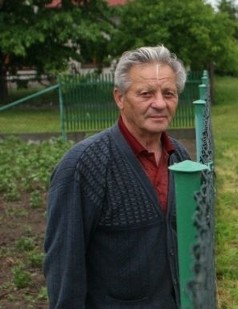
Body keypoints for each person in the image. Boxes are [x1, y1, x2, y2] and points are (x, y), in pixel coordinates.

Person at [44, 45, 191, 308]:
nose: (160, 103)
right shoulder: (82, 166)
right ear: (120, 98)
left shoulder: (180, 158)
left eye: (168, 93)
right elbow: (65, 268)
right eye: (146, 93)